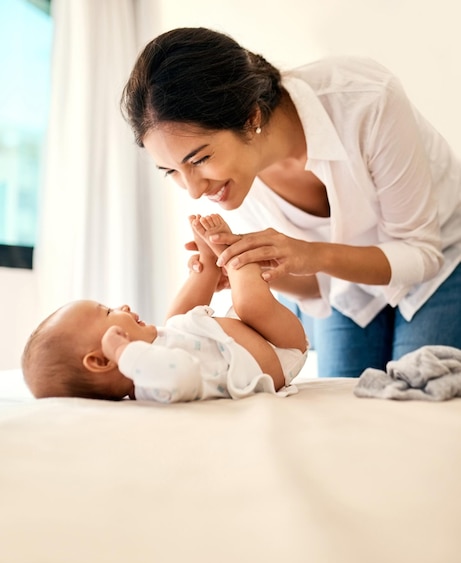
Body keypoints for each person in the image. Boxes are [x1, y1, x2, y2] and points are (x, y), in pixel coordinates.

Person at [120, 26, 461, 377]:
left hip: (440, 260)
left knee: (417, 394)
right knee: (342, 407)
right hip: (348, 282)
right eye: (170, 171)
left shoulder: (366, 99)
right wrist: (253, 267)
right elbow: (318, 284)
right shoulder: (234, 185)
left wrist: (310, 253)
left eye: (200, 159)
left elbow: (421, 254)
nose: (193, 190)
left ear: (251, 116)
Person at [22, 214, 308, 402]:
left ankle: (207, 266)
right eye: (108, 312)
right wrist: (126, 353)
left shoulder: (156, 353)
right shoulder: (153, 384)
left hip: (246, 340)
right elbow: (183, 374)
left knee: (175, 320)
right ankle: (233, 254)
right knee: (248, 304)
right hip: (278, 351)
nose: (120, 306)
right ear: (102, 360)